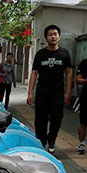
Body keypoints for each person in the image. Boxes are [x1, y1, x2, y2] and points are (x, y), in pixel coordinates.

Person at [27, 24, 73, 154]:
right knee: (40, 119)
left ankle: (52, 138)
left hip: (58, 92)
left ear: (59, 36)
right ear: (46, 38)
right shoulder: (40, 54)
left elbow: (69, 72)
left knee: (56, 118)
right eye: (50, 34)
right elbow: (34, 73)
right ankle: (41, 141)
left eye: (55, 34)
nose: (53, 36)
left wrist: (68, 92)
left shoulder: (64, 53)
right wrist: (30, 93)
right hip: (42, 92)